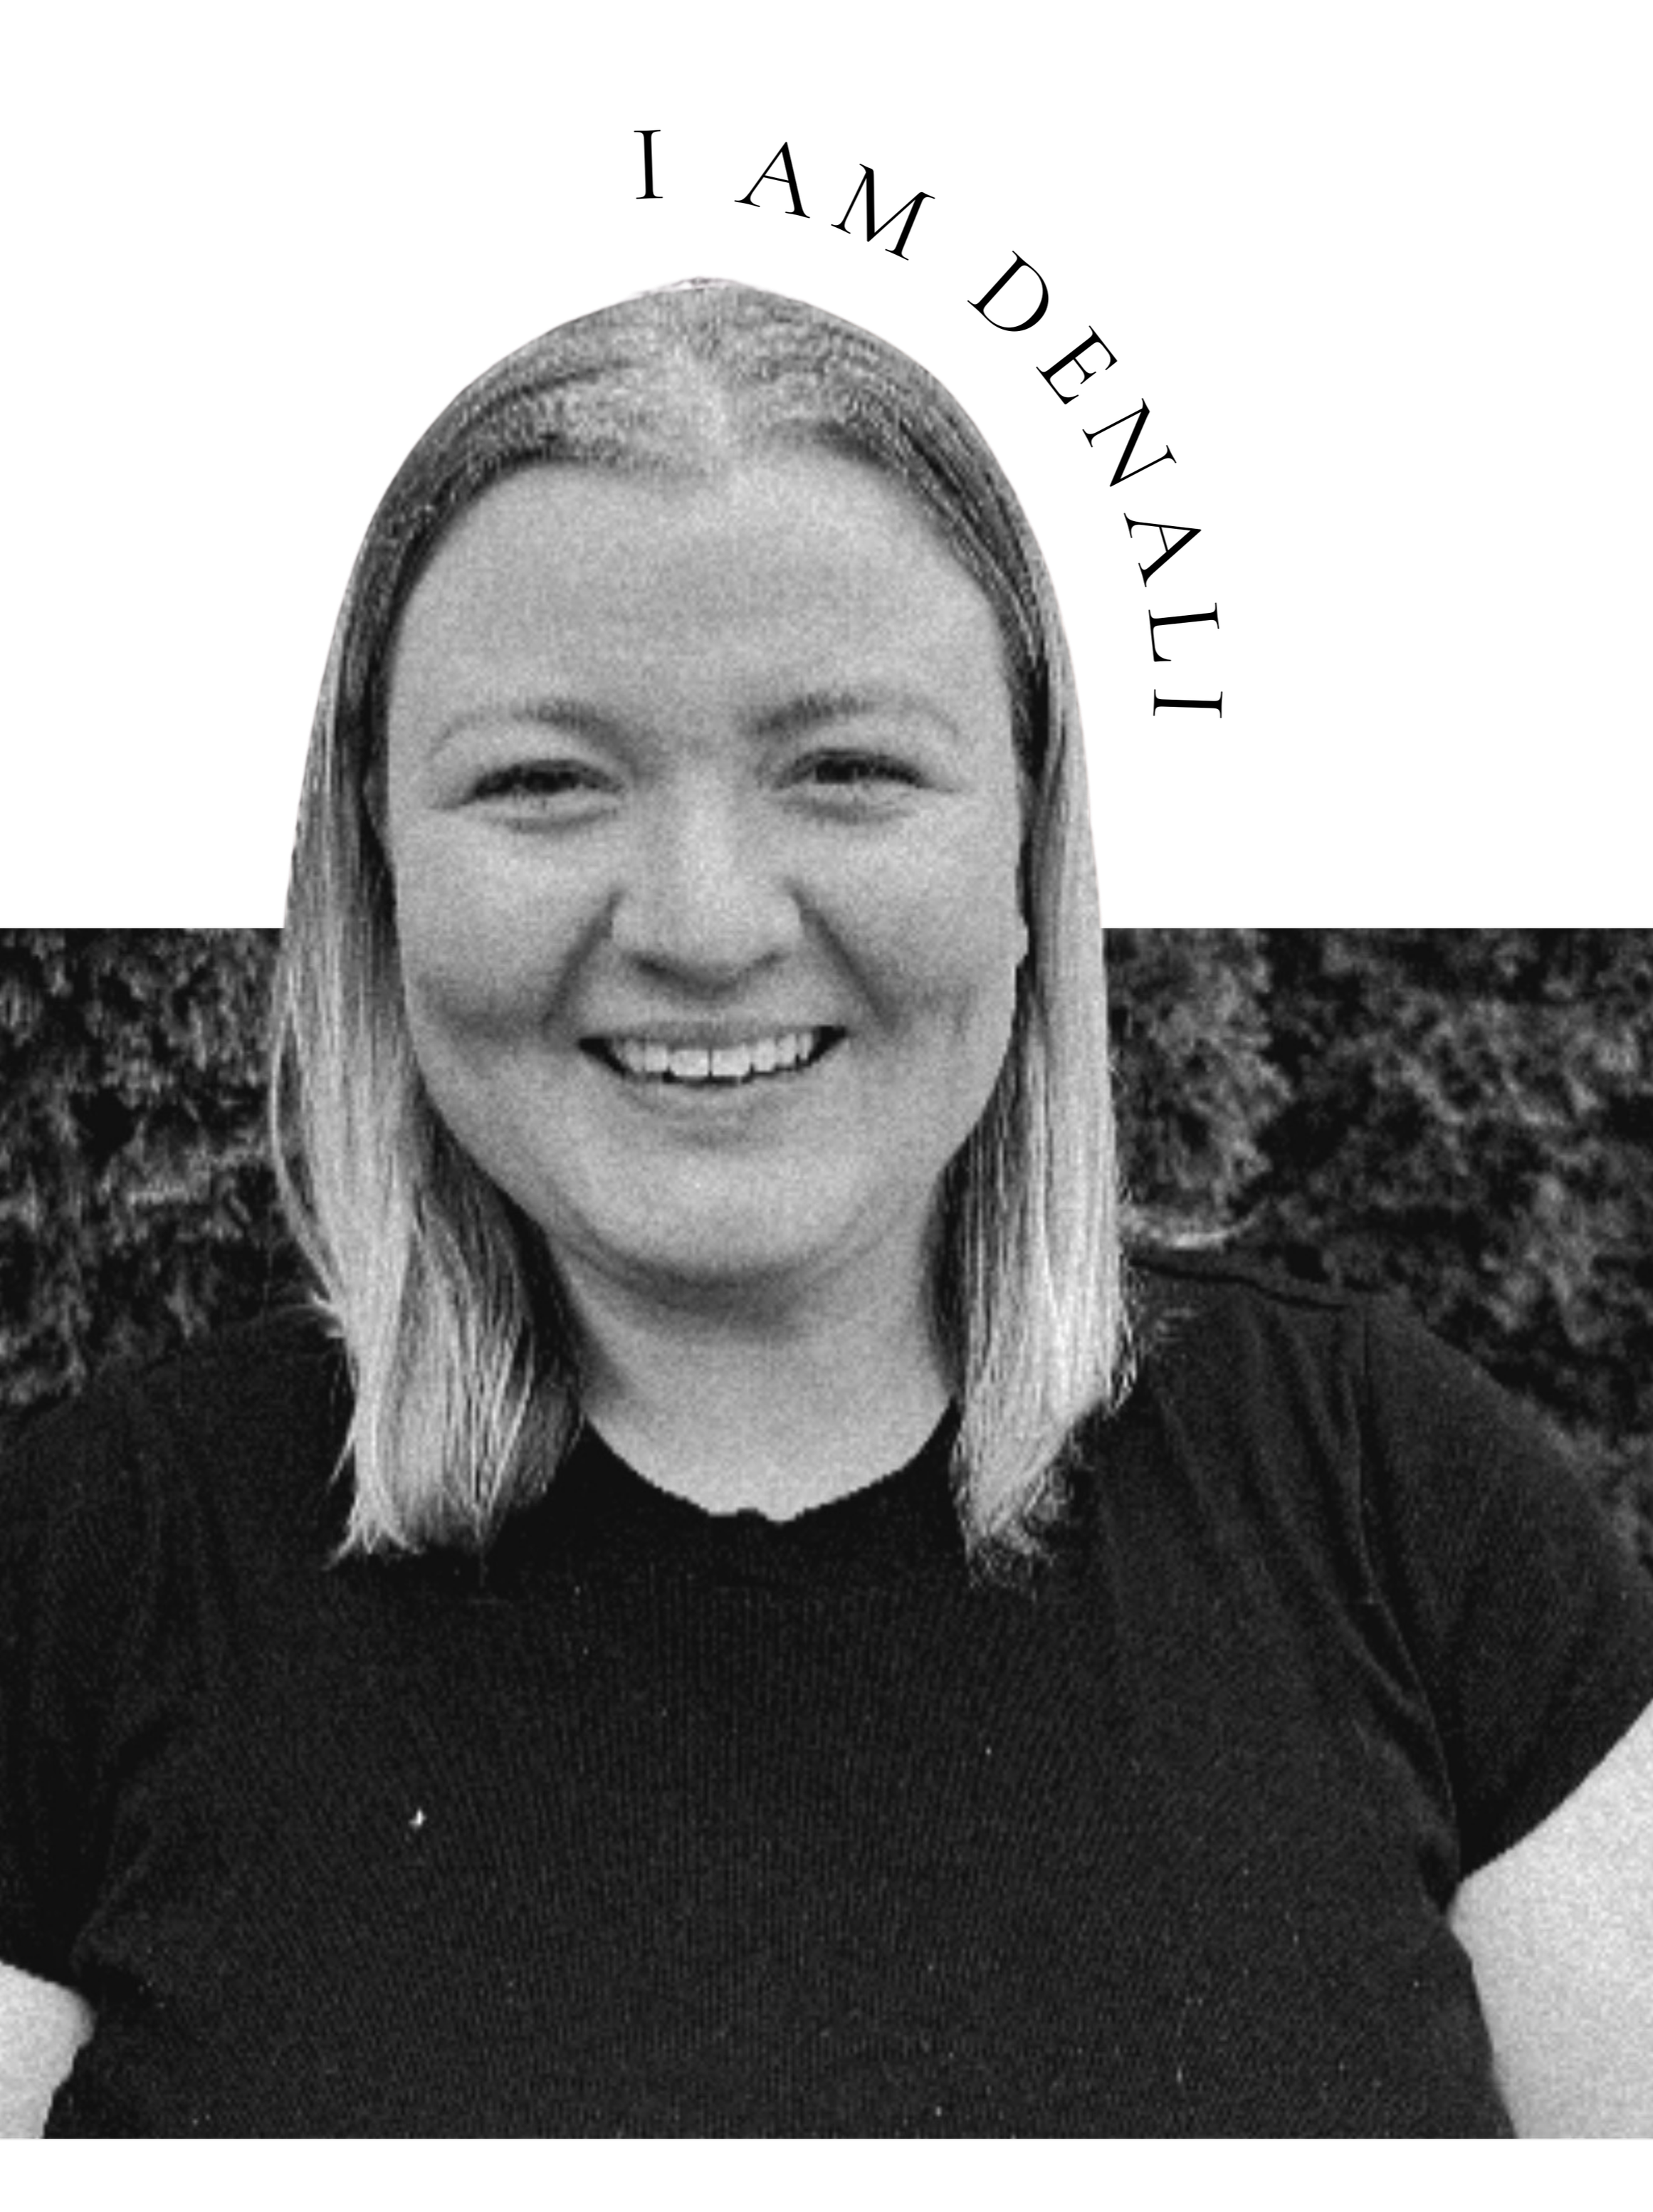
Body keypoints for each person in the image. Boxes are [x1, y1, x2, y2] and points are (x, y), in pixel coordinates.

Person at [4, 278, 1652, 2139]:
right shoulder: (84, 1574)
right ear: (375, 875)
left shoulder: (1413, 1515)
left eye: (848, 769)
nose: (706, 921)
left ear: (1030, 851)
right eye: (543, 782)